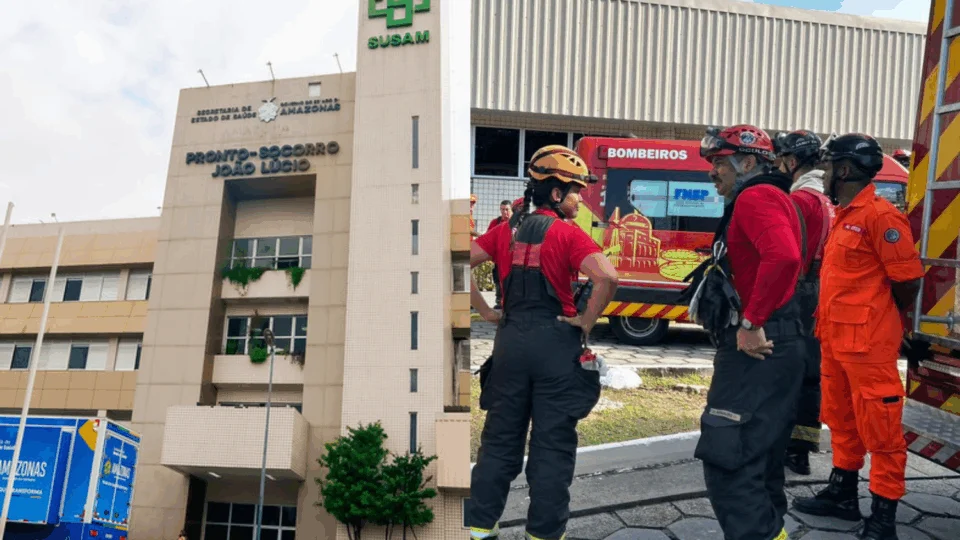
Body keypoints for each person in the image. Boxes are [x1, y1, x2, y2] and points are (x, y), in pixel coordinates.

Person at [468, 145, 619, 540]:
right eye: (575, 192)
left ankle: (479, 530)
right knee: (552, 451)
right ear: (555, 193)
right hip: (556, 348)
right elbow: (607, 277)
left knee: (498, 446)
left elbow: (454, 260)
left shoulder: (505, 231)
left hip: (510, 347)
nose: (579, 200)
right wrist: (586, 321)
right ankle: (543, 535)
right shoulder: (569, 235)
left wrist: (486, 311)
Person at [792, 133, 923, 540]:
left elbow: (907, 282)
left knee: (882, 432)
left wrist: (886, 322)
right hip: (836, 341)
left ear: (844, 170)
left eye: (829, 166)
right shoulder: (844, 214)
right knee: (842, 421)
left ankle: (883, 517)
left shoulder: (881, 217)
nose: (826, 173)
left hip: (868, 345)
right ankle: (842, 493)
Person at [694, 124, 806, 540]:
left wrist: (751, 321)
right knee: (760, 463)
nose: (712, 172)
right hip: (780, 344)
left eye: (719, 162)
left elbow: (784, 256)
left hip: (758, 347)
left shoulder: (757, 196)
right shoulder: (777, 197)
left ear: (747, 162)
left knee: (730, 461)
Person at [774, 130, 837, 476]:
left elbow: (786, 257)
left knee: (787, 370)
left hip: (798, 291)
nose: (779, 166)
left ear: (793, 162)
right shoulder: (826, 201)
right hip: (820, 290)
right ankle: (801, 451)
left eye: (782, 159)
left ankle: (785, 447)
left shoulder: (799, 201)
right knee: (811, 375)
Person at [487, 200, 514, 309]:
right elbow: (488, 238)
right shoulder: (495, 222)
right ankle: (499, 301)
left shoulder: (517, 222)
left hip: (513, 259)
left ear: (511, 210)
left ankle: (512, 302)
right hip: (499, 259)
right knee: (498, 279)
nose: (504, 212)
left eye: (507, 209)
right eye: (502, 209)